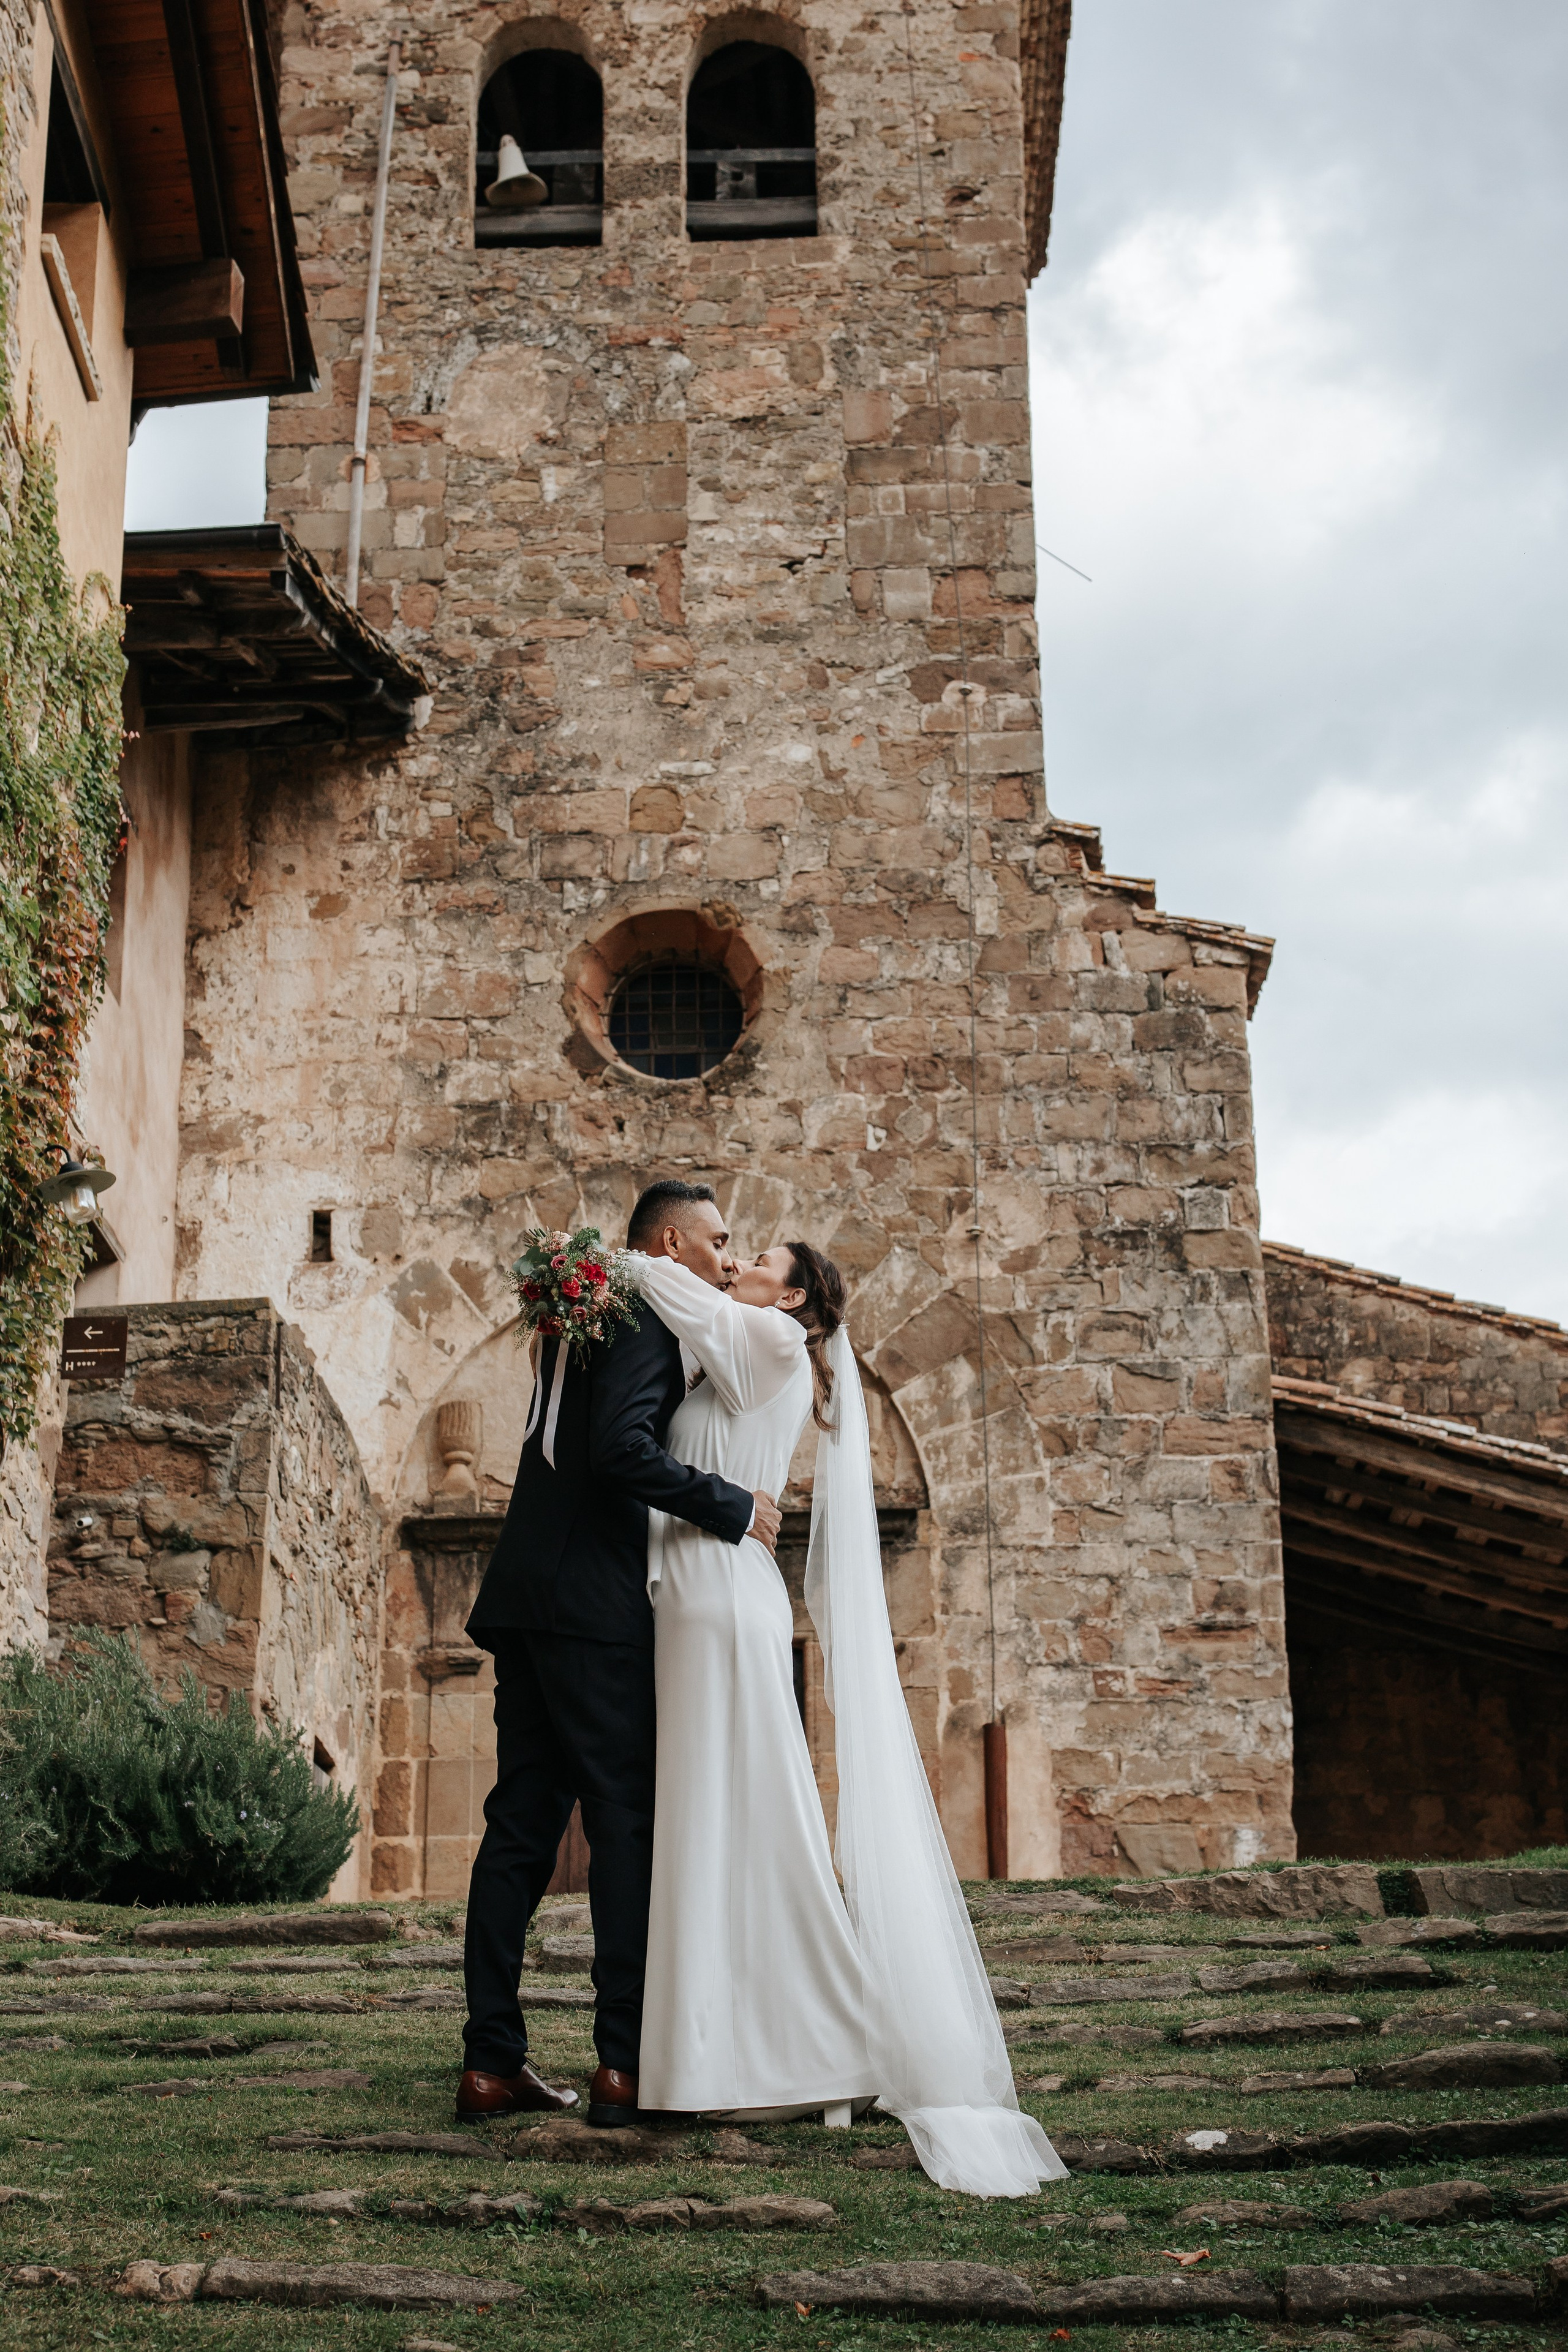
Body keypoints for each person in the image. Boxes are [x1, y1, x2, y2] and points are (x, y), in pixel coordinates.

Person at [627, 1242, 1067, 2198]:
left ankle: (816, 2044)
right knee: (725, 1819)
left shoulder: (771, 1341)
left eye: (758, 1257)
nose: (735, 1258)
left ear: (791, 1296)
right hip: (706, 1587)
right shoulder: (750, 1349)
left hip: (716, 1595)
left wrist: (612, 1258)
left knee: (727, 1817)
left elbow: (665, 1286)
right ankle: (731, 2049)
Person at [455, 1181, 783, 2127]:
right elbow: (618, 1451)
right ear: (669, 1241)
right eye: (719, 1241)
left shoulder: (583, 1311)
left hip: (525, 1596)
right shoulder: (638, 1314)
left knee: (519, 1827)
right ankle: (626, 2064)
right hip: (593, 1607)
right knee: (624, 1826)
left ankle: (490, 2064)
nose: (729, 1258)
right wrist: (733, 1506)